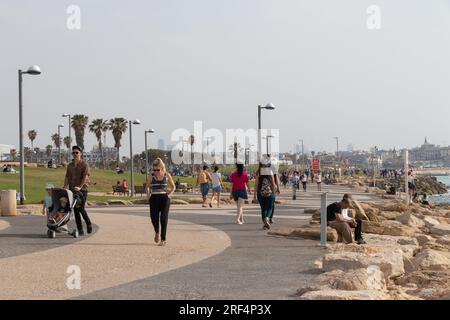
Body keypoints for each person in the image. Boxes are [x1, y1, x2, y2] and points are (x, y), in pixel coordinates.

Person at [145, 158, 175, 246]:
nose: (156, 171)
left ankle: (163, 239)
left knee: (163, 218)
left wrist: (169, 195)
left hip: (164, 198)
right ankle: (157, 232)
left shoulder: (167, 175)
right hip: (154, 198)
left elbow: (173, 187)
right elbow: (147, 187)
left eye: (157, 170)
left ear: (161, 168)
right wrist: (148, 196)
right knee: (153, 218)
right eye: (154, 170)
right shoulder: (151, 176)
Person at [63, 146, 92, 236]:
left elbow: (85, 177)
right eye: (73, 153)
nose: (75, 154)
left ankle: (88, 223)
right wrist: (65, 186)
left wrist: (79, 187)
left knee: (81, 208)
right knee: (75, 210)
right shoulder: (70, 165)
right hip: (72, 190)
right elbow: (67, 177)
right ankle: (80, 230)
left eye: (77, 153)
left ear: (80, 154)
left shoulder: (84, 164)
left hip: (82, 190)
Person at [254, 161, 276, 230]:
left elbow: (256, 185)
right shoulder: (270, 172)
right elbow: (273, 184)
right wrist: (274, 192)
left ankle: (265, 224)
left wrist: (254, 195)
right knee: (270, 207)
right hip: (270, 192)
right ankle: (267, 218)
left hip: (260, 193)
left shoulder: (258, 173)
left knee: (263, 208)